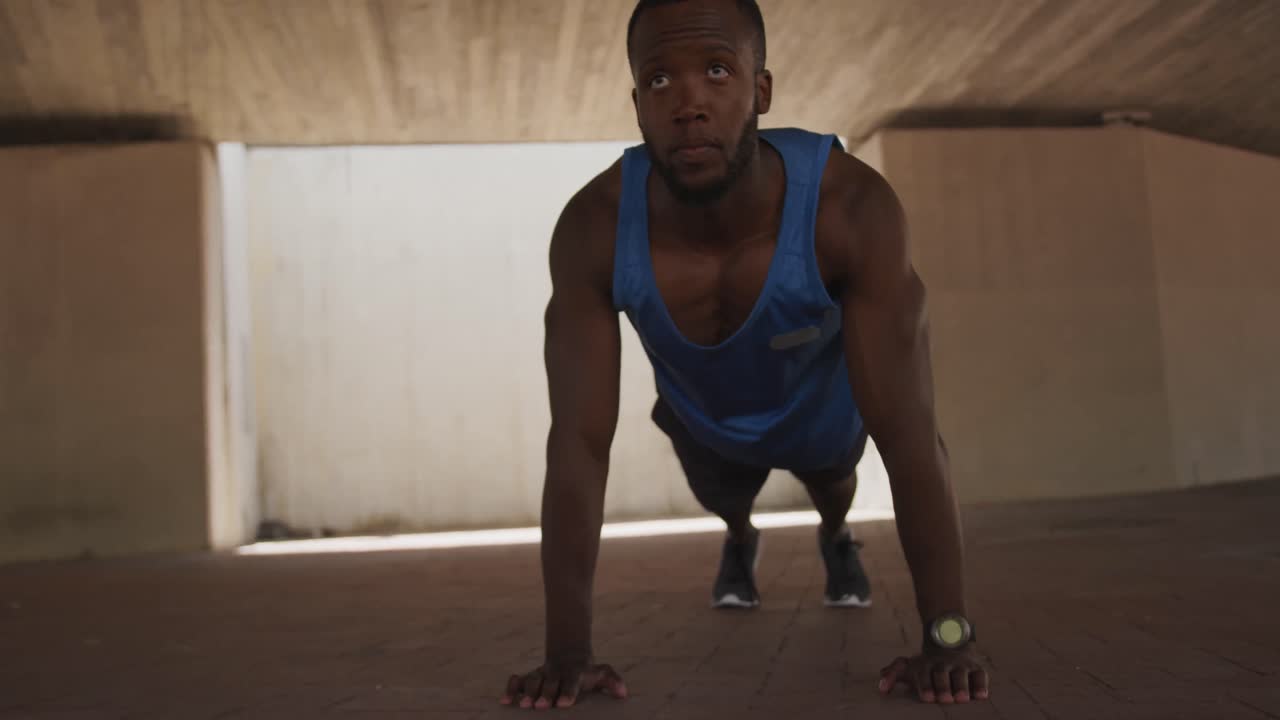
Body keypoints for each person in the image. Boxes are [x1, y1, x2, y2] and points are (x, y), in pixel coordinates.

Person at [501, 0, 991, 709]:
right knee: (725, 500)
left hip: (822, 418)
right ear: (637, 107)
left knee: (834, 486)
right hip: (707, 423)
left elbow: (914, 439)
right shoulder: (593, 228)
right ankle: (740, 536)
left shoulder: (851, 209)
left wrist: (948, 638)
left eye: (717, 71)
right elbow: (577, 446)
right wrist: (566, 654)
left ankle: (837, 537)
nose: (689, 105)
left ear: (761, 91)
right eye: (660, 80)